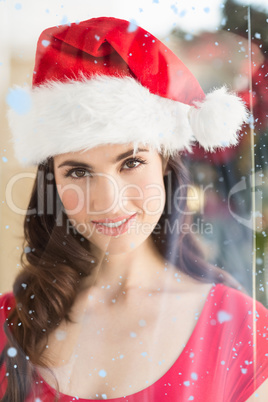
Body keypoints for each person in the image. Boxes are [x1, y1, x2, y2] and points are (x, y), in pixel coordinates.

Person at [0, 16, 267, 402]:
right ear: (53, 182)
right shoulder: (9, 320)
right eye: (78, 171)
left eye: (130, 163)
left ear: (165, 163)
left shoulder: (242, 331)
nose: (109, 202)